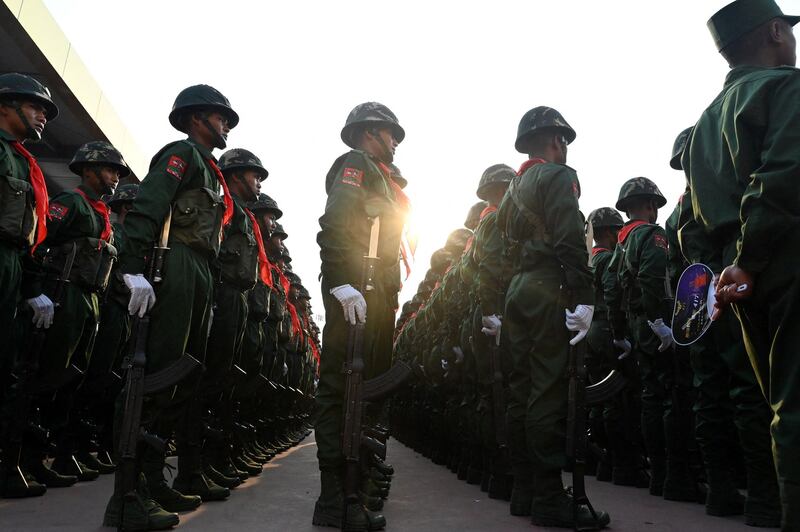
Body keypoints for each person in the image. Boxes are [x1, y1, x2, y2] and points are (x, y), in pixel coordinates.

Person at [683, 1, 800, 526]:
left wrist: (733, 270)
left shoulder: (705, 123)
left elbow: (695, 224)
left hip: (738, 277)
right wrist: (750, 261)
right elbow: (782, 179)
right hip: (782, 254)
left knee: (783, 404)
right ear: (776, 31)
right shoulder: (786, 88)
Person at [104, 84, 238, 530]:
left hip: (199, 270)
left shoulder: (210, 169)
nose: (225, 125)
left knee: (182, 378)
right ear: (197, 118)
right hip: (175, 262)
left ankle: (149, 477)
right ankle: (126, 495)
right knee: (157, 372)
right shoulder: (180, 154)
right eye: (220, 117)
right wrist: (130, 267)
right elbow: (149, 206)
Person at [496, 106, 609, 529]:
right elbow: (567, 238)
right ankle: (548, 496)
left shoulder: (513, 189)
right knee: (546, 391)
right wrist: (584, 295)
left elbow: (502, 251)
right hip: (547, 287)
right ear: (556, 140)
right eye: (563, 141)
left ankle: (524, 490)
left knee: (522, 390)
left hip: (518, 290)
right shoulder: (560, 177)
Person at [314, 102, 410, 530]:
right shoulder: (356, 164)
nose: (394, 142)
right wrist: (339, 280)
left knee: (365, 389)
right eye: (391, 134)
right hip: (356, 287)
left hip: (376, 292)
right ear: (371, 131)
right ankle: (335, 495)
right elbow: (336, 220)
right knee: (340, 387)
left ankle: (356, 485)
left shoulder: (382, 178)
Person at [26, 141, 129, 488]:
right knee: (51, 375)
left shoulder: (102, 217)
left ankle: (61, 452)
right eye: (110, 169)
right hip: (65, 294)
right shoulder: (70, 203)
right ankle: (26, 458)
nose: (115, 176)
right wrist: (34, 291)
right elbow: (39, 242)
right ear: (87, 170)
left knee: (75, 378)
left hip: (91, 299)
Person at [0, 72, 58, 498]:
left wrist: (29, 285)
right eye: (35, 106)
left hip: (12, 265)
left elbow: (28, 233)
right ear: (5, 106)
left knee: (7, 368)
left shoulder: (21, 161)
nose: (42, 115)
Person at [585, 207, 648, 488]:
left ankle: (604, 462)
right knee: (619, 400)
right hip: (607, 329)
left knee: (600, 398)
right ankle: (623, 464)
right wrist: (620, 332)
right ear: (610, 233)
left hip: (592, 332)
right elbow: (613, 294)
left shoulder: (589, 262)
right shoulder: (608, 260)